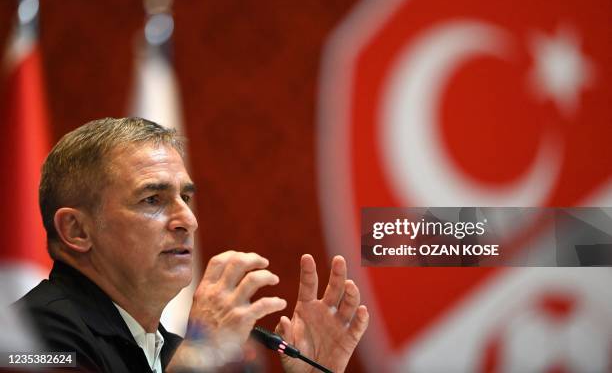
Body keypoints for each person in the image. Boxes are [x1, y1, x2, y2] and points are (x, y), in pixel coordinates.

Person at [14, 117, 369, 372]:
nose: (188, 220)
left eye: (186, 196)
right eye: (152, 199)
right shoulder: (30, 337)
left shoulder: (166, 350)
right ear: (77, 230)